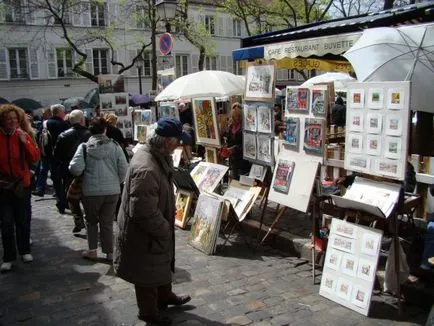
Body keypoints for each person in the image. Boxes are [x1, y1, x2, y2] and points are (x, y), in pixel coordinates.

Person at [114, 118, 192, 325]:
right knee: (147, 271)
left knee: (160, 263)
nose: (179, 145)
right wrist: (164, 228)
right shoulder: (147, 167)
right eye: (177, 141)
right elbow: (142, 211)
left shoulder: (156, 155)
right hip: (145, 231)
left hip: (153, 226)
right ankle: (148, 312)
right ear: (167, 142)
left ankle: (165, 295)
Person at [69, 117, 128, 260]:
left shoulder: (84, 147)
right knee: (107, 222)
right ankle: (109, 253)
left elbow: (75, 168)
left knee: (91, 221)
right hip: (112, 191)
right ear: (105, 130)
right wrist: (116, 182)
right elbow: (124, 168)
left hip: (91, 191)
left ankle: (93, 250)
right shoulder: (115, 146)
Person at [0, 104, 40, 272]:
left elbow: (35, 156)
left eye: (15, 119)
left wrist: (26, 143)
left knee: (22, 220)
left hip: (21, 184)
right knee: (6, 222)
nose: (12, 122)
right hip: (2, 185)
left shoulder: (23, 135)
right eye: (8, 119)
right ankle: (8, 256)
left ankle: (24, 250)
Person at [54, 110, 91, 233]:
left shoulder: (63, 135)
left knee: (72, 197)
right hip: (87, 170)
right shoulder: (90, 134)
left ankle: (78, 219)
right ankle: (89, 220)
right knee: (86, 196)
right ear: (82, 120)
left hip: (69, 171)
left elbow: (56, 155)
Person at [46, 104, 70, 213]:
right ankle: (66, 201)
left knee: (56, 181)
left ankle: (60, 201)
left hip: (50, 156)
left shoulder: (45, 124)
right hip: (64, 157)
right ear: (59, 112)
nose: (64, 113)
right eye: (63, 112)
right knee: (65, 180)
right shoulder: (63, 124)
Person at [222, 102, 251, 180]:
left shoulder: (245, 127)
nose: (237, 118)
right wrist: (226, 149)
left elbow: (247, 144)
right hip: (233, 160)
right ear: (232, 115)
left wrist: (233, 148)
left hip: (243, 161)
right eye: (235, 116)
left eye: (239, 116)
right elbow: (228, 141)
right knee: (235, 180)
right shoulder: (230, 126)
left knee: (242, 182)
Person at [33, 107, 53, 197]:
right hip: (46, 151)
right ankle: (41, 189)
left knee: (45, 171)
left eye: (44, 113)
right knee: (44, 171)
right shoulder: (43, 123)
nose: (42, 114)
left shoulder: (47, 123)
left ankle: (41, 189)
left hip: (46, 151)